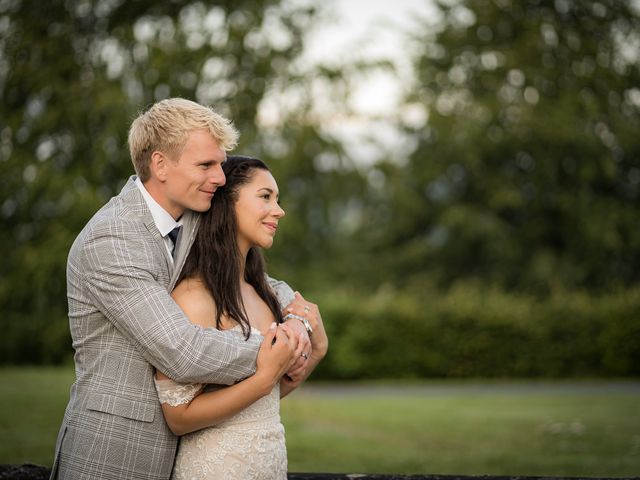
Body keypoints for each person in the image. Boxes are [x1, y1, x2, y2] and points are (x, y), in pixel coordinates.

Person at [51, 98, 314, 480]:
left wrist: (295, 313)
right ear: (160, 164)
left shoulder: (190, 216)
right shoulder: (111, 239)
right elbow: (183, 351)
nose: (221, 178)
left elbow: (240, 276)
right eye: (206, 165)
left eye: (220, 165)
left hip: (189, 454)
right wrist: (276, 349)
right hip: (113, 455)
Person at [154, 155, 328, 479]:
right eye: (266, 197)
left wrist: (317, 349)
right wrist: (263, 380)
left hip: (270, 464)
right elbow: (177, 417)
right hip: (218, 468)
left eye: (278, 199)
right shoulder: (194, 297)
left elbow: (266, 400)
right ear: (227, 203)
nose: (279, 210)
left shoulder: (263, 292)